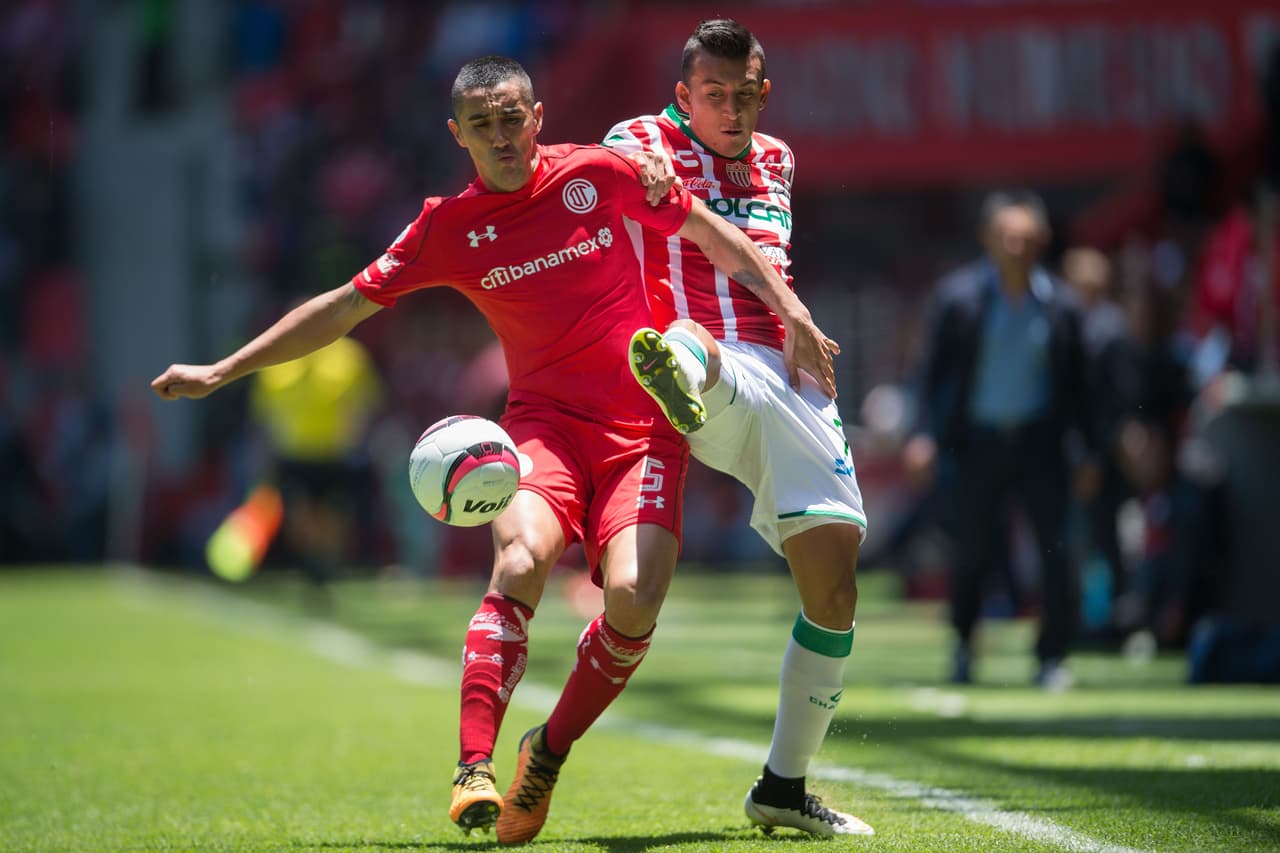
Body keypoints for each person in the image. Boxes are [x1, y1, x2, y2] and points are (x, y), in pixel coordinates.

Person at [151, 56, 838, 843]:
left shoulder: (603, 175)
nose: (502, 135)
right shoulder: (446, 228)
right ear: (458, 134)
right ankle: (472, 765)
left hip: (645, 428)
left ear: (537, 116)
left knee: (635, 599)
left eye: (513, 117)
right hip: (543, 426)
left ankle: (544, 752)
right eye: (483, 123)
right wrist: (222, 370)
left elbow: (713, 234)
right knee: (517, 563)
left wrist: (789, 310)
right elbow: (341, 308)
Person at [603, 19, 873, 837]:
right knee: (691, 348)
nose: (729, 107)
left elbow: (768, 257)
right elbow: (612, 158)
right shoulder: (642, 136)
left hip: (790, 377)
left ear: (763, 90)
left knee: (834, 586)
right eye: (711, 95)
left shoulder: (780, 159)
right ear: (683, 97)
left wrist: (793, 319)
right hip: (706, 355)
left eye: (742, 91)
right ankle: (674, 369)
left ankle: (782, 788)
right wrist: (633, 165)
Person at [903, 189, 1099, 691]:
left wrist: (1088, 451)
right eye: (1007, 237)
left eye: (1026, 238)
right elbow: (931, 376)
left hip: (1041, 444)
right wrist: (922, 434)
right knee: (971, 552)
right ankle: (965, 645)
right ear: (987, 240)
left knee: (1057, 553)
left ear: (1043, 241)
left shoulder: (1062, 306)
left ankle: (1051, 656)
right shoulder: (958, 300)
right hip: (977, 442)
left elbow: (1081, 389)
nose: (1016, 247)